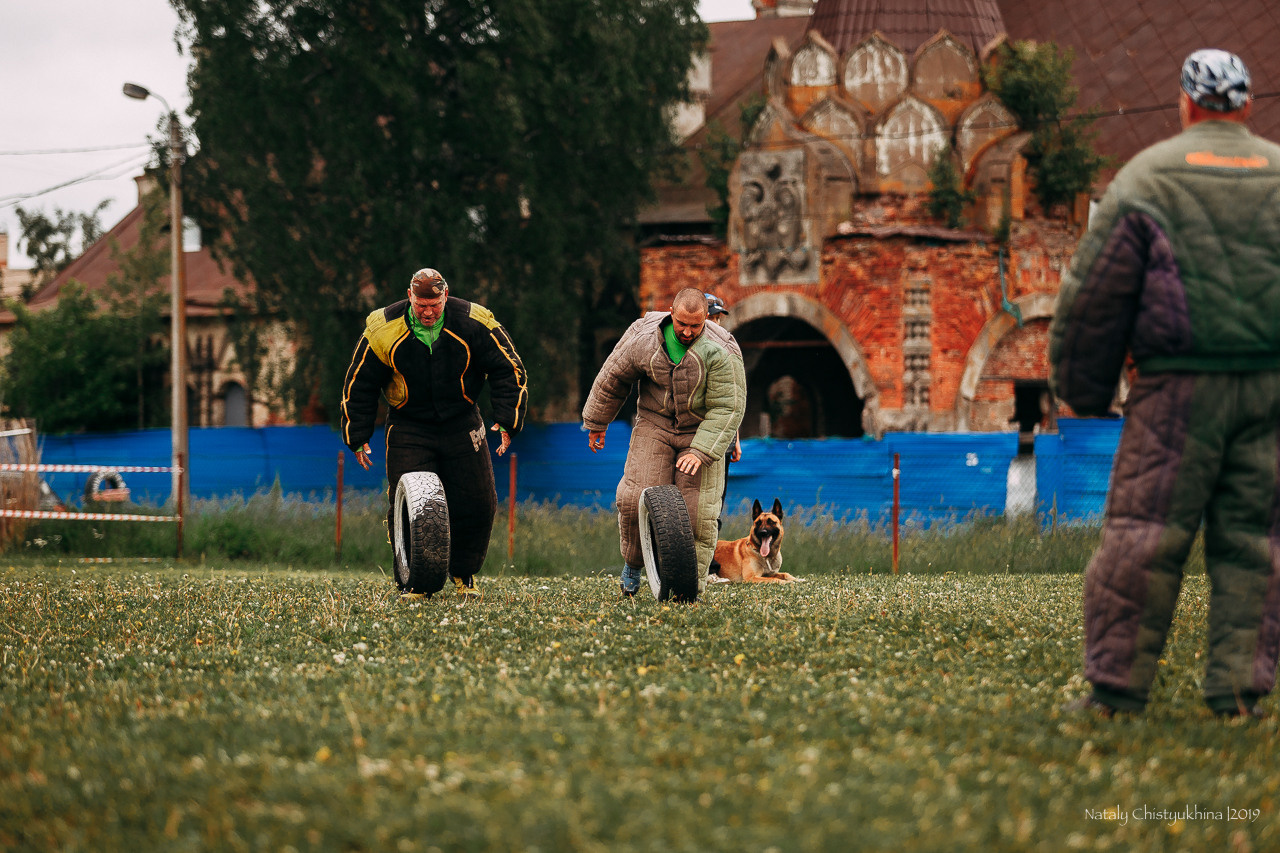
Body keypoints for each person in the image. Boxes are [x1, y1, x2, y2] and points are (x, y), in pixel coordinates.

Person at [1050, 49, 1280, 718]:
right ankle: (1240, 694)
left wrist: (1084, 391)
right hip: (1271, 391)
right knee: (1257, 543)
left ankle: (1116, 691)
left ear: (1185, 104)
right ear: (1246, 106)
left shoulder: (1147, 178)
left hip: (1175, 392)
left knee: (1144, 535)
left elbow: (1094, 297)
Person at [341, 268, 528, 600]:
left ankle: (463, 573)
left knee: (477, 501)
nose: (428, 312)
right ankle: (413, 579)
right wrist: (357, 434)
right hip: (409, 424)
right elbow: (359, 383)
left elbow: (508, 366)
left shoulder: (475, 322)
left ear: (445, 296)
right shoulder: (383, 328)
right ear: (410, 297)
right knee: (412, 505)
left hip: (462, 420)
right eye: (421, 304)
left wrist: (508, 419)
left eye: (435, 304)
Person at [584, 286, 747, 597]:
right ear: (672, 315)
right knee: (634, 498)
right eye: (682, 324)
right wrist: (597, 421)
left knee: (697, 513)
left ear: (706, 321)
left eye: (695, 326)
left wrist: (702, 450)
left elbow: (729, 406)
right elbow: (614, 375)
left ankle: (691, 588)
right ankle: (632, 565)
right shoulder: (644, 336)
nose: (687, 332)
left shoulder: (722, 348)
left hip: (699, 431)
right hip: (654, 423)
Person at [704, 292, 742, 579]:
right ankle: (701, 568)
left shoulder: (727, 349)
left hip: (724, 443)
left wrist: (736, 438)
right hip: (703, 443)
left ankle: (710, 568)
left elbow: (732, 399)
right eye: (713, 317)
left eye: (719, 318)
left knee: (716, 506)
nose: (717, 322)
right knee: (700, 507)